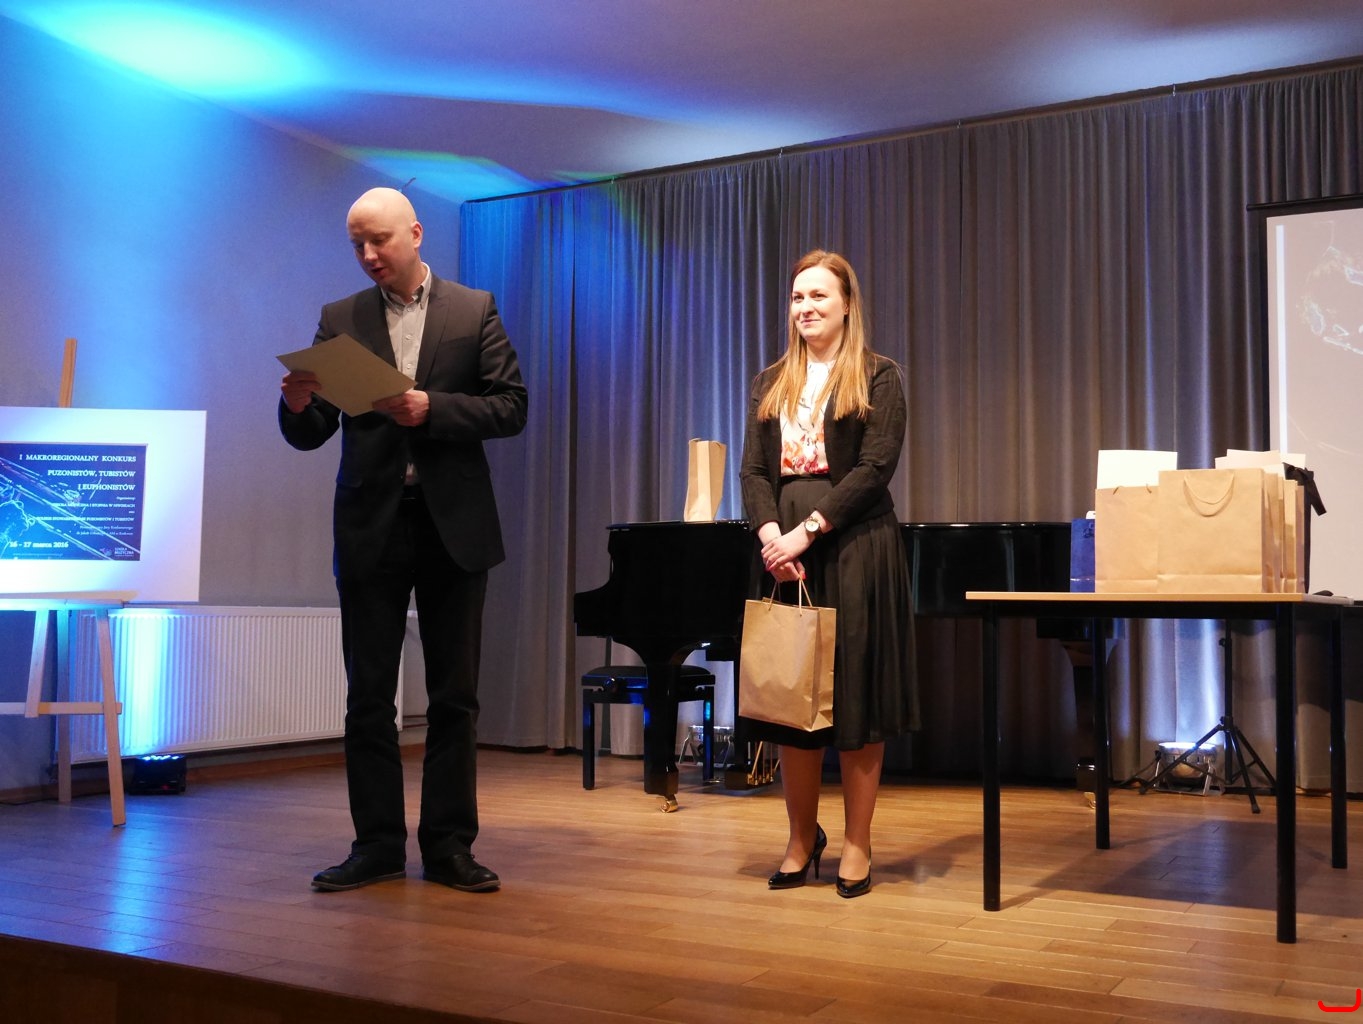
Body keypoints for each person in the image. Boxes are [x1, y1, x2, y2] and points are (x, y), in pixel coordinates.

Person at [279, 187, 528, 894]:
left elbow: (511, 406)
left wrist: (431, 408)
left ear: (415, 234)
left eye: (379, 240)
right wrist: (295, 404)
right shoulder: (340, 318)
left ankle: (448, 846)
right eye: (356, 244)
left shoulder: (473, 309)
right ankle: (377, 846)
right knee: (367, 697)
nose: (367, 255)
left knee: (455, 697)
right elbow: (312, 432)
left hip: (454, 524)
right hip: (371, 526)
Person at [738, 249, 918, 898]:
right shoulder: (769, 381)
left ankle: (857, 844)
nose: (806, 307)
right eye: (797, 297)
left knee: (854, 700)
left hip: (853, 545)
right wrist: (771, 536)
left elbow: (874, 469)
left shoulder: (879, 376)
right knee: (793, 702)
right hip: (781, 552)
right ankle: (799, 839)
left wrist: (806, 532)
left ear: (846, 304)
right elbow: (752, 471)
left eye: (818, 296)